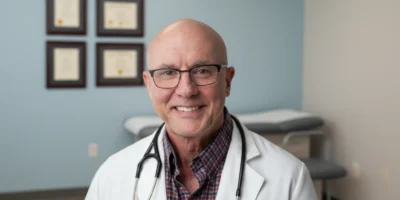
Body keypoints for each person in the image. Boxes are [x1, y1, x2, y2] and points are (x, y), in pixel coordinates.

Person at [85, 19, 317, 200]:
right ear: (149, 85)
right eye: (168, 73)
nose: (186, 90)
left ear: (227, 81)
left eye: (203, 71)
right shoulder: (112, 175)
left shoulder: (288, 178)